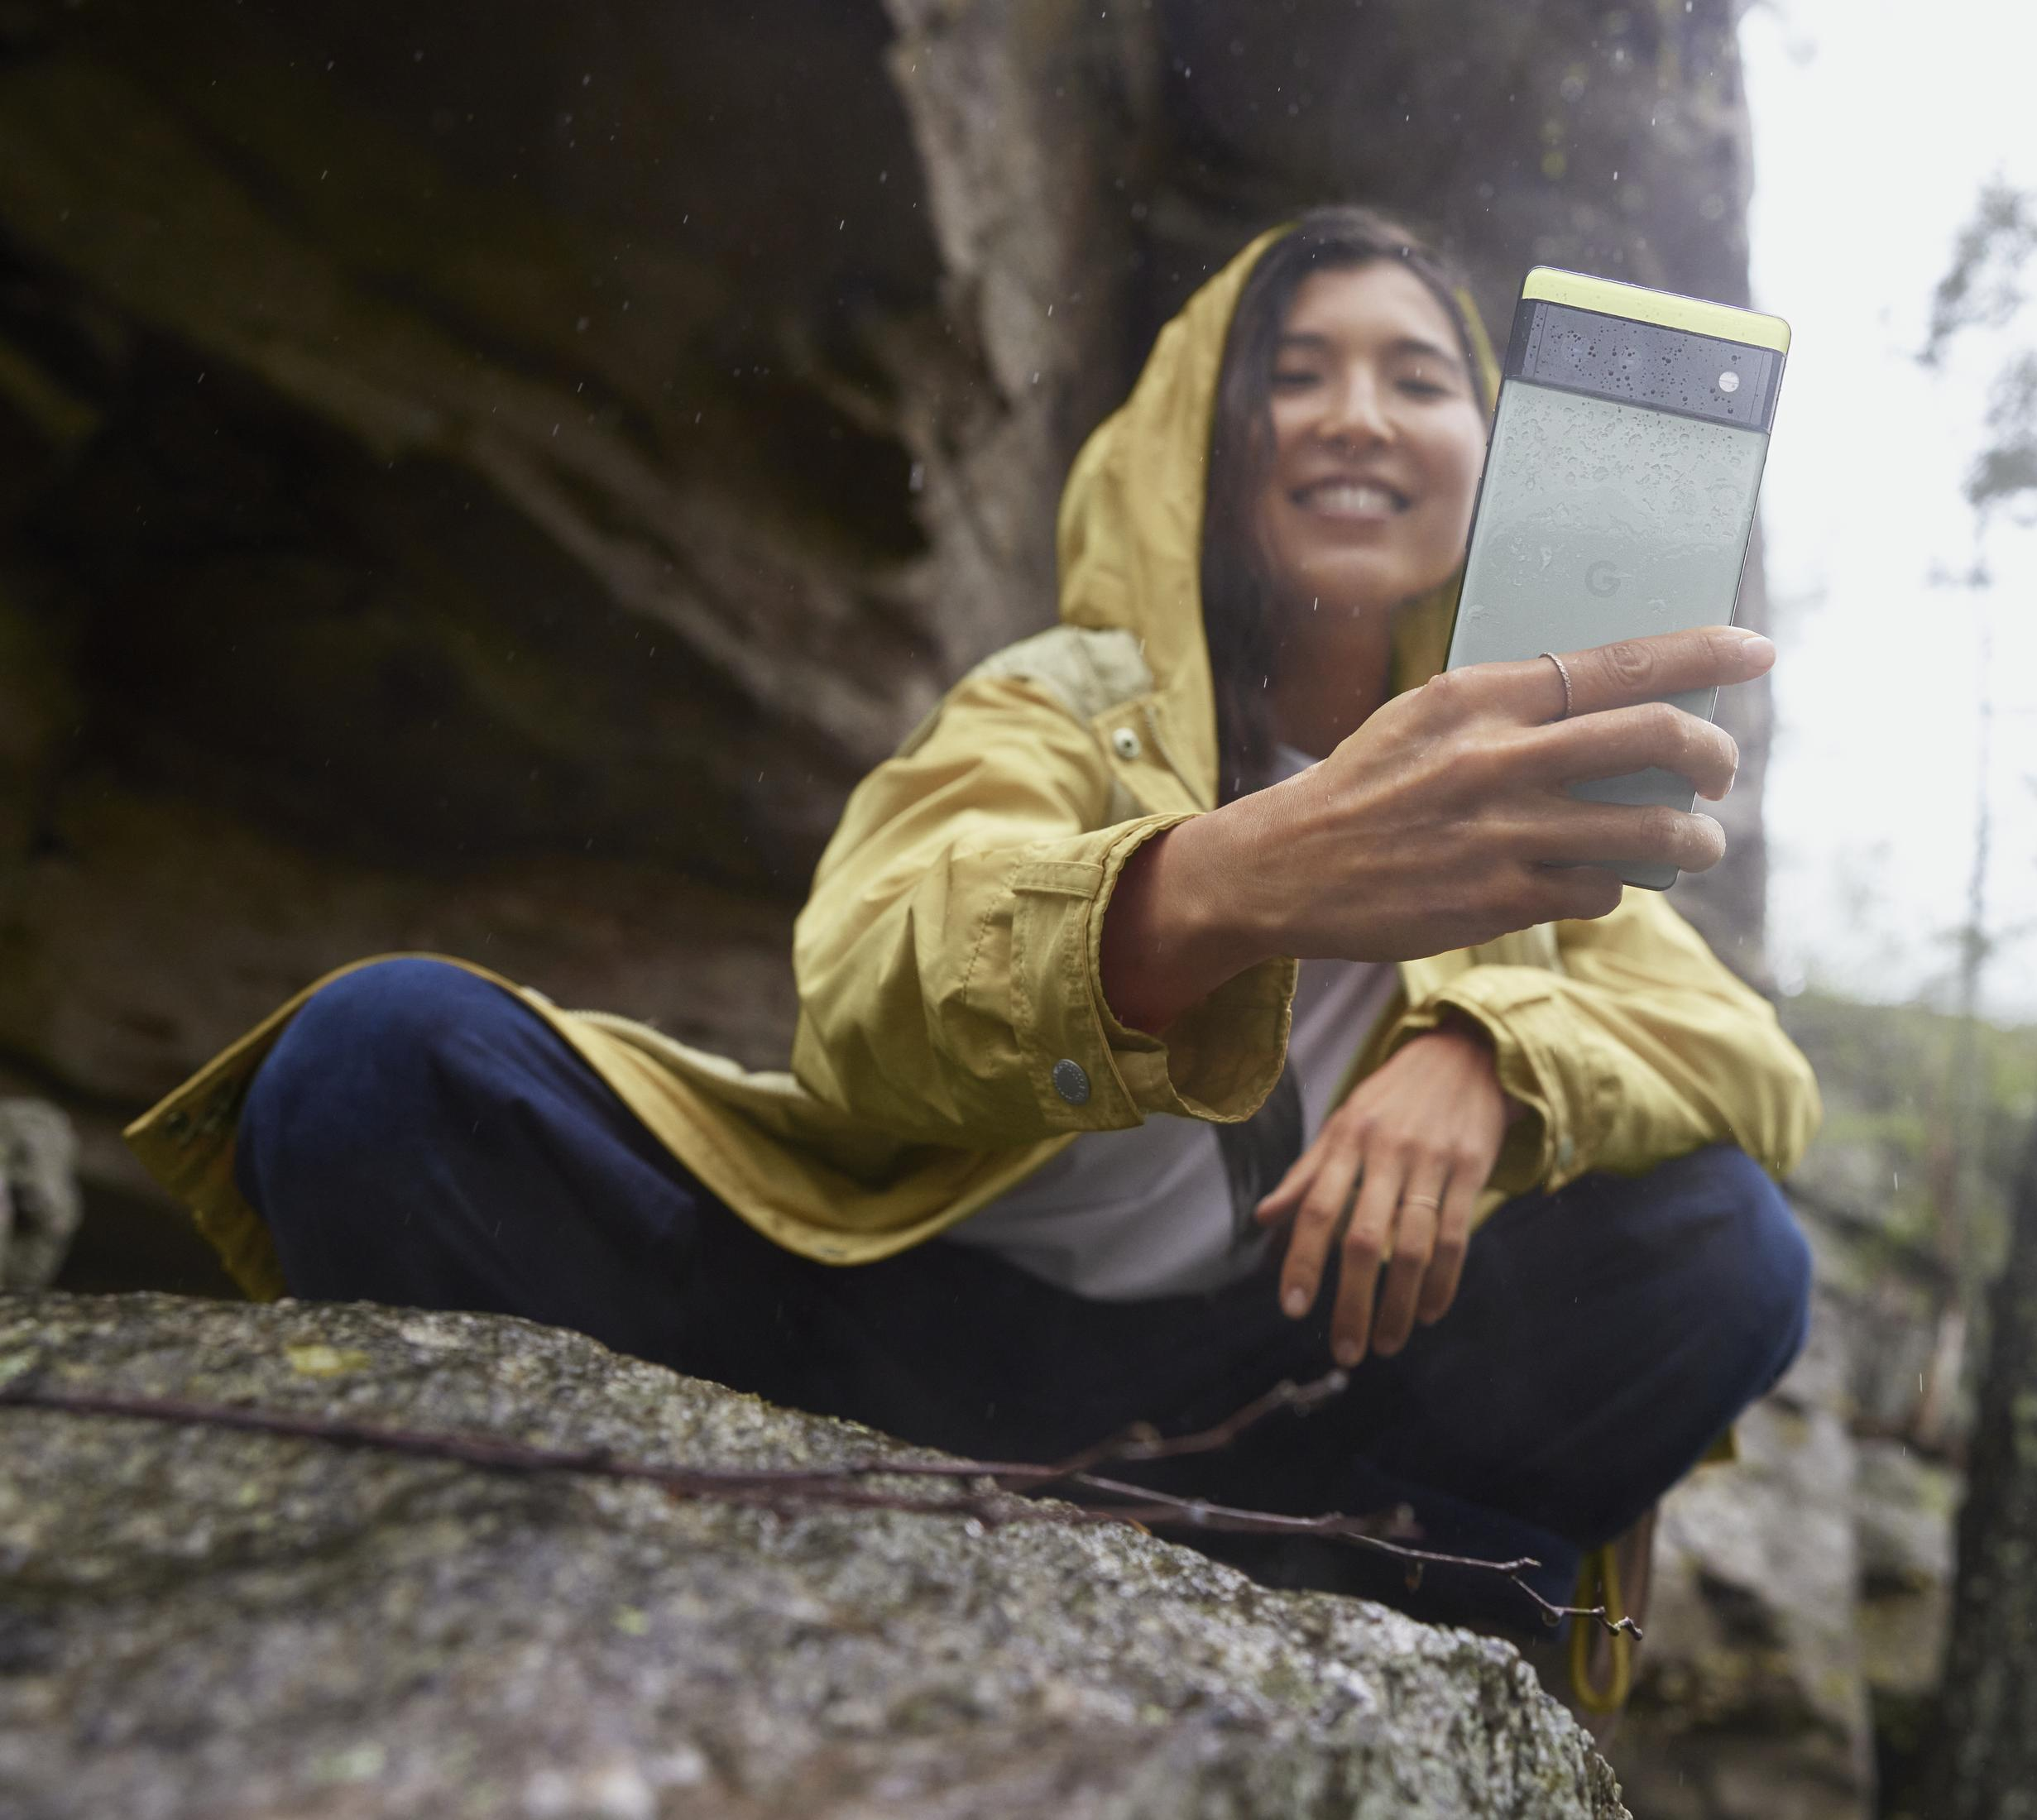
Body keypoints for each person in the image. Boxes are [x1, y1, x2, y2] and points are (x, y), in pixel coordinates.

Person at [128, 208, 1820, 1647]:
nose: (1352, 416)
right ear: (1194, 447)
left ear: (1491, 449)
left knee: (1722, 1246)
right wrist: (1231, 877)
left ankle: (1372, 1616)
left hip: (1277, 1408)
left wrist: (1486, 1055)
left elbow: (1741, 1058)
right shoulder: (1056, 701)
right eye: (1288, 374)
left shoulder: (1537, 797)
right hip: (886, 1337)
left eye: (1416, 374)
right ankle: (548, 1593)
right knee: (381, 1059)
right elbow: (866, 989)